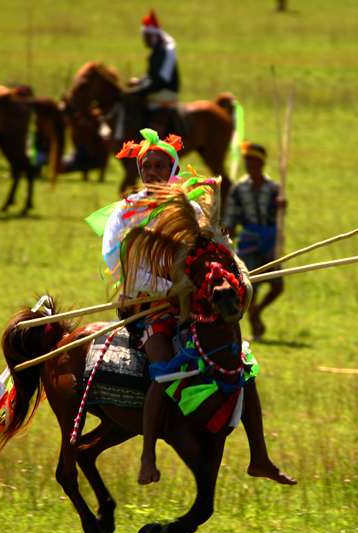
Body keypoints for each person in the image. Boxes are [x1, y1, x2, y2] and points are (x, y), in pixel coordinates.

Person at [86, 129, 295, 487]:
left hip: (193, 304)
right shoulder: (126, 211)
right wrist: (167, 286)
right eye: (146, 165)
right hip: (148, 306)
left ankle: (259, 456)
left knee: (242, 364)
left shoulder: (192, 208)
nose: (151, 171)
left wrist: (228, 276)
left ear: (173, 168)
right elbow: (115, 257)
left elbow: (212, 250)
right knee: (164, 366)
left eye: (159, 165)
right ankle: (148, 456)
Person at [223, 142, 285, 340]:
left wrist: (283, 206)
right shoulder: (239, 189)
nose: (249, 164)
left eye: (253, 160)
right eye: (246, 160)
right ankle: (253, 322)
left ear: (261, 162)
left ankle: (257, 310)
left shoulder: (274, 188)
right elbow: (231, 218)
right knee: (250, 286)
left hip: (270, 240)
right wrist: (227, 242)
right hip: (249, 241)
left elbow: (279, 216)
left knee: (277, 285)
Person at [127, 10, 181, 136]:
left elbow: (161, 80)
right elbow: (152, 77)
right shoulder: (157, 50)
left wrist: (141, 90)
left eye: (145, 37)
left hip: (166, 91)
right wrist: (139, 82)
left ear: (152, 36)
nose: (144, 40)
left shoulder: (165, 51)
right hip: (158, 88)